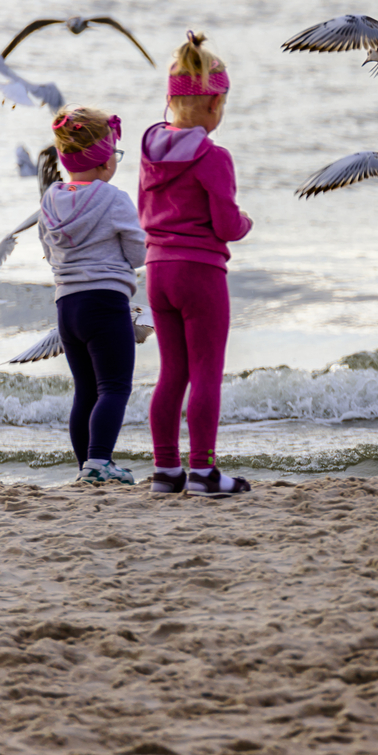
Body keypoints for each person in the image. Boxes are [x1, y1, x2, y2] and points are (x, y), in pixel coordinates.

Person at [140, 32, 253, 497]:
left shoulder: (148, 150)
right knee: (206, 372)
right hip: (200, 272)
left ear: (170, 99)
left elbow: (144, 211)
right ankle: (203, 471)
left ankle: (166, 470)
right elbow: (226, 224)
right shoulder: (213, 157)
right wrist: (245, 222)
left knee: (172, 373)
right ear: (213, 105)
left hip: (157, 271)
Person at [41, 107, 147, 485]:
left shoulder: (51, 199)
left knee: (85, 389)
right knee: (115, 386)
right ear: (105, 162)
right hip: (105, 302)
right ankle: (99, 461)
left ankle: (85, 465)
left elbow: (48, 249)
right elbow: (138, 254)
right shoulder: (114, 200)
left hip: (66, 306)